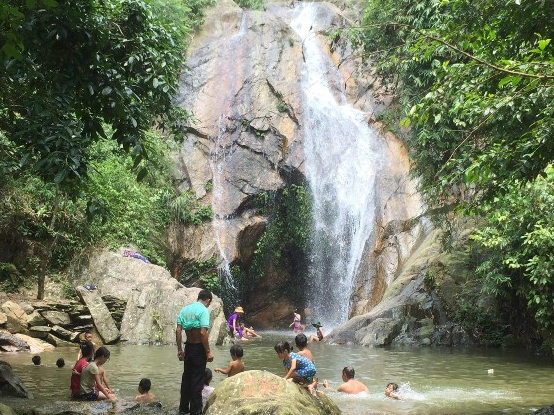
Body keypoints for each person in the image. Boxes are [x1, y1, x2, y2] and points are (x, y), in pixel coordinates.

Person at [176, 289, 214, 415]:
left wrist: (180, 350)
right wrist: (208, 351)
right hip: (199, 349)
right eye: (209, 303)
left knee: (186, 378)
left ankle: (183, 409)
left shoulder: (185, 310)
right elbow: (203, 332)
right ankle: (195, 411)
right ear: (208, 300)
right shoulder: (203, 310)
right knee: (197, 380)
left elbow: (178, 330)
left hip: (188, 347)